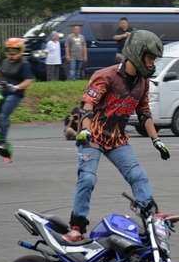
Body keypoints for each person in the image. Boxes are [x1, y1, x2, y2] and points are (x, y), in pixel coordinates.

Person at [63, 30, 171, 242]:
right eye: (149, 57)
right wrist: (84, 129)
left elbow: (144, 112)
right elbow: (87, 106)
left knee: (138, 174)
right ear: (136, 53)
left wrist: (156, 140)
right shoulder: (105, 76)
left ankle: (151, 218)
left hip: (116, 138)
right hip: (92, 134)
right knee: (87, 178)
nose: (151, 63)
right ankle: (76, 227)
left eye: (153, 59)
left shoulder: (143, 83)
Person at [0, 38, 34, 141]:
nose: (12, 53)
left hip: (15, 94)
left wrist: (16, 87)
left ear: (21, 50)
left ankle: (2, 139)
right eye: (10, 50)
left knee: (3, 115)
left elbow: (28, 81)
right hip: (2, 90)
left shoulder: (24, 64)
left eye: (15, 50)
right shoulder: (4, 62)